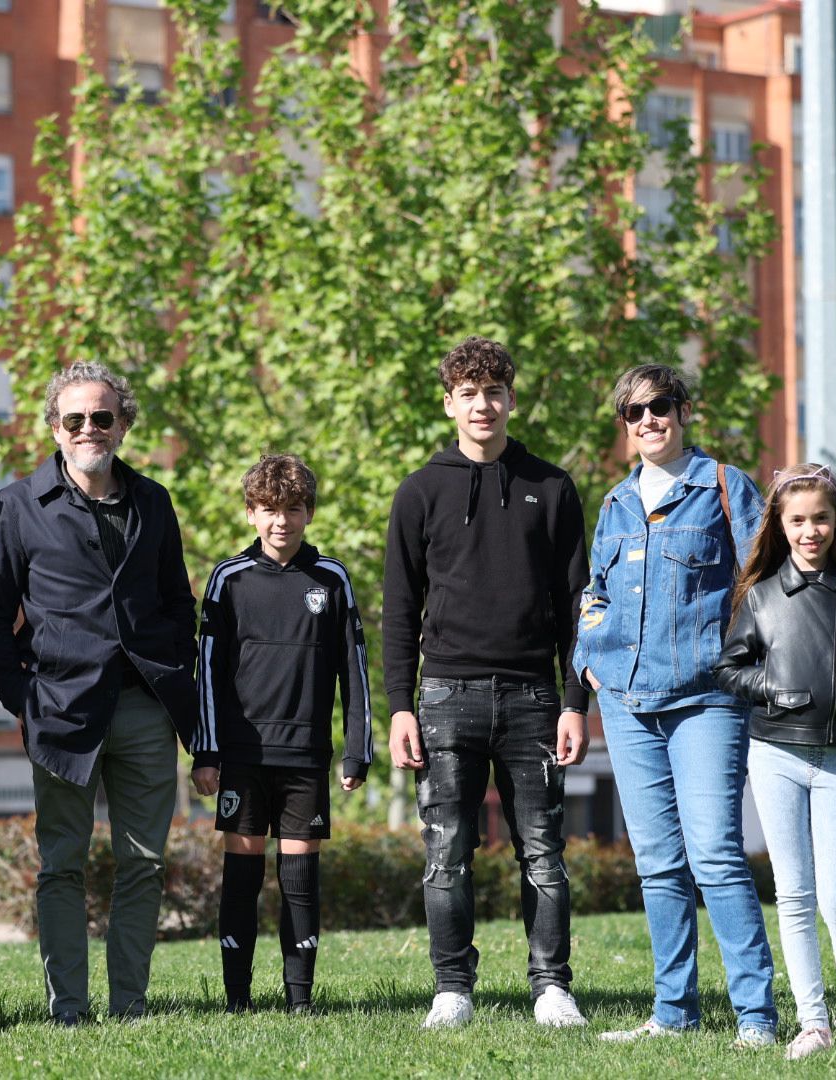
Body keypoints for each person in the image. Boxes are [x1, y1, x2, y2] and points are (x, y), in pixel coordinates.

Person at [0, 360, 199, 1025]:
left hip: (144, 709)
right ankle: (68, 1008)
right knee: (61, 867)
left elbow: (175, 604)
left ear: (122, 424)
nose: (89, 428)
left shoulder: (152, 500)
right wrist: (22, 697)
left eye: (102, 417)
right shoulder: (18, 505)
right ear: (55, 428)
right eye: (75, 419)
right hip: (61, 711)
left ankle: (129, 1005)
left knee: (144, 863)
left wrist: (173, 669)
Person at [383, 336, 591, 1030]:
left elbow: (577, 609)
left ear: (511, 398)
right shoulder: (419, 492)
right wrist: (398, 709)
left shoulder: (553, 487)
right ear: (449, 403)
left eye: (494, 390)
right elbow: (398, 611)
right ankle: (452, 990)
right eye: (468, 392)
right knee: (446, 853)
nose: (483, 403)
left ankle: (552, 987)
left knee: (544, 852)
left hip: (534, 699)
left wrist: (574, 703)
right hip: (444, 698)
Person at [573, 363, 777, 1047]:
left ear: (684, 411)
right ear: (624, 426)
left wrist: (745, 665)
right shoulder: (615, 504)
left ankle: (757, 1018)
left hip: (706, 701)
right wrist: (590, 659)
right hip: (628, 705)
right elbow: (592, 592)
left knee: (715, 854)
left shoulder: (723, 487)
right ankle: (673, 1013)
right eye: (633, 412)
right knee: (658, 863)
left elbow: (765, 583)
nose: (648, 421)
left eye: (660, 406)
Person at [714, 462, 836, 1060]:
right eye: (797, 520)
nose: (810, 530)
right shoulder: (760, 596)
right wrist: (772, 684)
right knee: (794, 897)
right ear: (780, 523)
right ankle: (812, 1022)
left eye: (820, 518)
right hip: (774, 754)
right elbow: (728, 669)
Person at [191, 454, 374, 1014]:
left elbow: (355, 671)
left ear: (309, 513)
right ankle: (237, 1001)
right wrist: (206, 751)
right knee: (242, 881)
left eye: (293, 509)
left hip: (305, 758)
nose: (281, 522)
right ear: (250, 513)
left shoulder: (332, 579)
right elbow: (209, 673)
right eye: (269, 509)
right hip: (243, 759)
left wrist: (357, 750)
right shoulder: (228, 580)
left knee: (299, 882)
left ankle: (300, 1001)